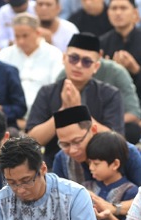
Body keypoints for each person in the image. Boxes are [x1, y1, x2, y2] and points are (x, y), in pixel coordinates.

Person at [26, 33, 124, 167]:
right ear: (64, 58)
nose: (78, 65)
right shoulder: (47, 92)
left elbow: (116, 141)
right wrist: (62, 112)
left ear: (95, 67)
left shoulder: (110, 94)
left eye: (86, 62)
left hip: (99, 166)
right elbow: (33, 140)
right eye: (73, 58)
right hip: (54, 164)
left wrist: (79, 111)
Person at [52, 105, 141, 190]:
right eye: (65, 145)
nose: (72, 150)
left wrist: (114, 208)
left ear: (94, 130)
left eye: (77, 141)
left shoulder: (124, 151)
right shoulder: (62, 159)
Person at [82, 132, 138, 220]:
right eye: (89, 163)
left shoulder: (130, 190)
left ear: (115, 164)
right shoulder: (87, 187)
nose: (91, 168)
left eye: (96, 164)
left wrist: (108, 217)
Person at [0, 13, 65, 112]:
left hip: (43, 112)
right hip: (10, 111)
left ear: (38, 33)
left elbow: (56, 89)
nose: (21, 41)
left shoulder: (54, 54)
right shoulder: (5, 54)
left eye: (25, 36)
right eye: (17, 36)